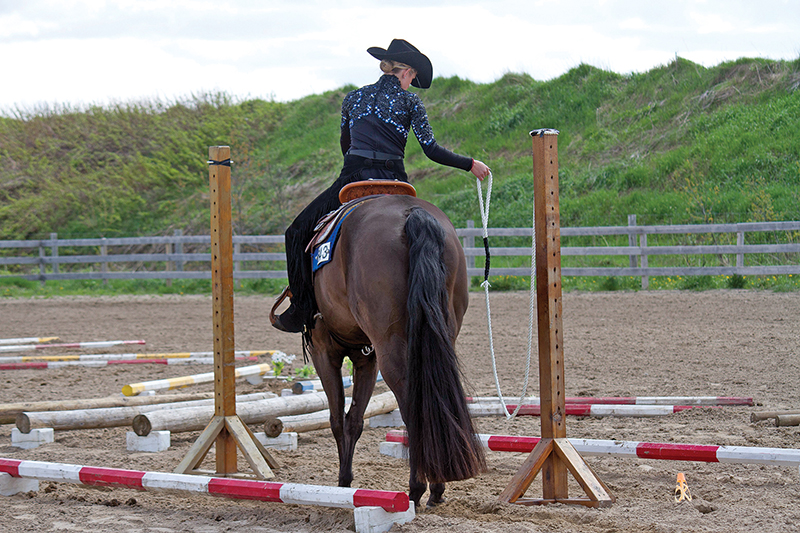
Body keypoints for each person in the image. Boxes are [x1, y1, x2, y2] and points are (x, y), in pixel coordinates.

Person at [273, 38, 491, 334]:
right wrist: (470, 164)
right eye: (413, 77)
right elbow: (431, 149)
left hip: (354, 180)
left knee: (296, 232)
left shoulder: (353, 98)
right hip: (395, 183)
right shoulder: (411, 102)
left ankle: (301, 306)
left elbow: (345, 145)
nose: (412, 82)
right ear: (406, 72)